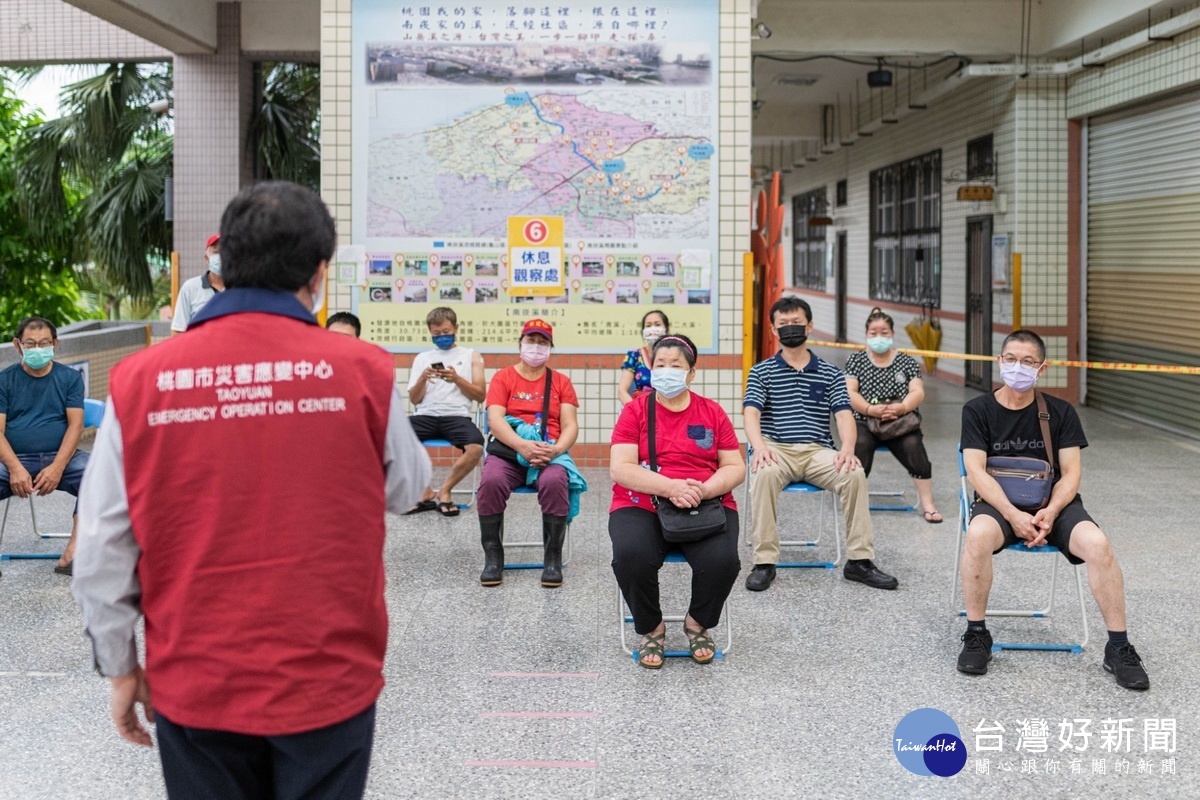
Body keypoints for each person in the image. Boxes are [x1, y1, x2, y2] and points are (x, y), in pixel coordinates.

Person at [72, 181, 432, 798]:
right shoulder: (361, 370)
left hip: (195, 675)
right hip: (327, 672)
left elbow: (104, 539)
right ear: (319, 273)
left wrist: (120, 664)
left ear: (225, 263)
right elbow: (407, 488)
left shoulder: (142, 380)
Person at [958, 329, 1149, 690]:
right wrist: (1013, 515)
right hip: (999, 506)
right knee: (979, 534)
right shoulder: (978, 410)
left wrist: (1051, 510)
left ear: (1041, 369)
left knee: (1098, 545)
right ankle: (976, 634)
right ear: (999, 362)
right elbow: (975, 472)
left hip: (1054, 506)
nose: (1018, 367)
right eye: (1011, 359)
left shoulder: (1059, 412)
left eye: (1028, 362)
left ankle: (1119, 647)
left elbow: (1072, 473)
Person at [743, 296, 899, 592]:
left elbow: (843, 415)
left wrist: (848, 448)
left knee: (854, 473)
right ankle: (764, 562)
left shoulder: (830, 373)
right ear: (774, 330)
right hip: (776, 449)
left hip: (818, 452)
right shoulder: (760, 371)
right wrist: (759, 446)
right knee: (762, 474)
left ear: (810, 326)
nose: (790, 329)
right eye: (783, 324)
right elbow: (751, 412)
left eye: (797, 323)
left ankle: (859, 561)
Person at [609, 334, 745, 668]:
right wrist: (671, 488)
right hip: (641, 501)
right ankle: (651, 627)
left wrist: (704, 489)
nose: (666, 371)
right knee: (631, 555)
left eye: (676, 365)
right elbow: (620, 467)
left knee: (724, 561)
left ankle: (698, 622)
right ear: (650, 368)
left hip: (706, 501)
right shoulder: (636, 410)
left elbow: (735, 466)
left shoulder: (711, 411)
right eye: (660, 364)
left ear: (691, 373)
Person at [477, 318, 584, 588]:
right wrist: (521, 445)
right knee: (491, 482)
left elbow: (570, 425)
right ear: (520, 343)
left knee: (555, 481)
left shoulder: (560, 382)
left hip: (549, 453)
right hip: (509, 452)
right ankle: (493, 557)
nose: (536, 347)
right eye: (531, 341)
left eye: (543, 342)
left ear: (550, 347)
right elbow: (495, 420)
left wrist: (556, 449)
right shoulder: (504, 377)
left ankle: (552, 559)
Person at [0, 316, 88, 576]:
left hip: (62, 458)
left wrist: (57, 467)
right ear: (18, 345)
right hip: (13, 459)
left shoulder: (70, 378)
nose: (38, 349)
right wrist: (15, 468)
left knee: (101, 476)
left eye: (44, 343)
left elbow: (76, 426)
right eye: (31, 343)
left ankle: (73, 553)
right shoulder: (4, 380)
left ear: (55, 344)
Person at [843, 307, 943, 523]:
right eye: (873, 333)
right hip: (863, 418)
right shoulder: (856, 360)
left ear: (893, 334)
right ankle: (853, 502)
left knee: (914, 447)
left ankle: (928, 504)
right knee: (858, 444)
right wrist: (870, 409)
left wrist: (903, 407)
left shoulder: (906, 361)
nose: (879, 337)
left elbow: (917, 390)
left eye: (884, 332)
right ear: (866, 335)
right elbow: (850, 392)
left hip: (900, 420)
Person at [405, 307, 486, 517]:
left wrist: (457, 379)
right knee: (390, 439)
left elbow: (480, 395)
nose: (442, 337)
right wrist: (423, 378)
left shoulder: (471, 355)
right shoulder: (422, 358)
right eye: (436, 334)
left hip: (457, 416)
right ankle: (425, 491)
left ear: (456, 328)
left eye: (446, 331)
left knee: (476, 448)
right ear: (430, 332)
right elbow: (414, 399)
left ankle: (445, 490)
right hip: (425, 414)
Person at [171, 233, 224, 334]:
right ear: (207, 259)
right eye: (216, 252)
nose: (221, 257)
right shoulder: (190, 288)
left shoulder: (239, 289)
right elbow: (179, 330)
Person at [618, 309, 669, 406]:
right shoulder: (634, 355)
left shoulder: (675, 356)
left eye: (657, 325)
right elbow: (622, 391)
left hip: (667, 410)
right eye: (648, 326)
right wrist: (636, 411)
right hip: (639, 410)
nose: (653, 329)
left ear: (667, 329)